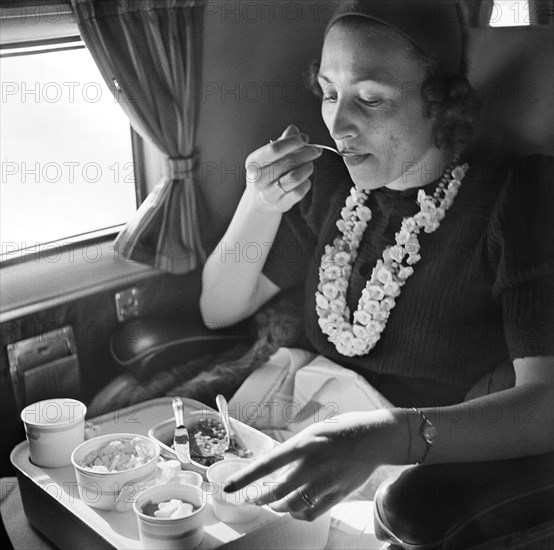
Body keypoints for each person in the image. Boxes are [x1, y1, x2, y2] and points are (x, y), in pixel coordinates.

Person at [199, 0, 553, 521]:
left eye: (369, 99)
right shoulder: (335, 185)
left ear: (442, 102)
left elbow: (544, 410)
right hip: (295, 430)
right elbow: (218, 309)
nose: (337, 123)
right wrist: (258, 203)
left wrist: (383, 438)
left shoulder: (519, 198)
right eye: (328, 92)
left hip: (412, 473)